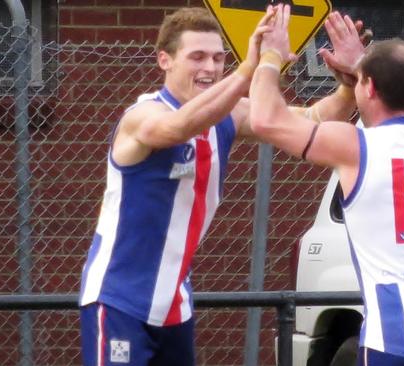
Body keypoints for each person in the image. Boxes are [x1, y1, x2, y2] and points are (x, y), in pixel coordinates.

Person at [78, 6, 364, 366]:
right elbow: (175, 129)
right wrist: (252, 67)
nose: (210, 68)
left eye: (218, 58)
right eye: (197, 57)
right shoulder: (143, 116)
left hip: (174, 303)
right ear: (164, 60)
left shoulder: (229, 113)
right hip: (120, 299)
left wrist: (349, 87)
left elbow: (311, 119)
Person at [249, 5, 404, 365]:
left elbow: (263, 119)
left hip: (395, 336)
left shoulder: (355, 146)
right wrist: (363, 66)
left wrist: (270, 56)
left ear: (368, 86)